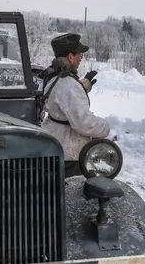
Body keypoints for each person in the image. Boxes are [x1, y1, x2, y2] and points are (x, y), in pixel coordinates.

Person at [39, 33, 110, 177]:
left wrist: (83, 85)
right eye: (79, 54)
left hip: (56, 146)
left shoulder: (54, 77)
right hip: (69, 156)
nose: (81, 57)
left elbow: (63, 99)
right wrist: (105, 127)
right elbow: (83, 123)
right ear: (70, 57)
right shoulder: (69, 85)